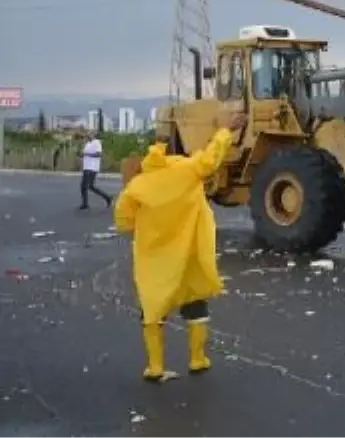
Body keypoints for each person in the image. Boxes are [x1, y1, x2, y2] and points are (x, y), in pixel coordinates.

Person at [113, 113, 246, 382]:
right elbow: (211, 158)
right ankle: (198, 359)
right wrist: (226, 130)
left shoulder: (138, 185)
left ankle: (155, 366)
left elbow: (123, 220)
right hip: (188, 252)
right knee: (195, 303)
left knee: (152, 306)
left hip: (153, 256)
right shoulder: (187, 170)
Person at [78, 131, 112, 210]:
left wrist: (86, 154)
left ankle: (85, 204)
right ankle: (107, 198)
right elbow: (83, 154)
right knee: (88, 186)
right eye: (88, 133)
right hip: (87, 167)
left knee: (86, 186)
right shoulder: (87, 143)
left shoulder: (97, 142)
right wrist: (80, 153)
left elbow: (99, 154)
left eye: (89, 134)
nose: (87, 135)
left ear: (93, 135)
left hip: (92, 167)